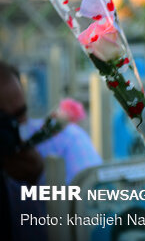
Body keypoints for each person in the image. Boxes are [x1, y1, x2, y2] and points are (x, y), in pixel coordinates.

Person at [0, 61, 102, 241]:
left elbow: (96, 220)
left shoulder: (67, 143)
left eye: (19, 114)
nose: (10, 130)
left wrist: (42, 178)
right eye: (3, 121)